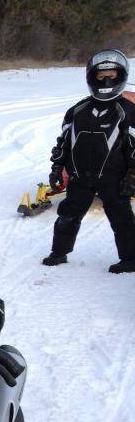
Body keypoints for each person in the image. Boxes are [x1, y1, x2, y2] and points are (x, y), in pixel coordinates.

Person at [42, 50, 135, 273]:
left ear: (121, 75)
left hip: (115, 178)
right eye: (101, 75)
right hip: (80, 176)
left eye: (111, 75)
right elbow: (63, 143)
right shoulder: (76, 110)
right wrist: (57, 169)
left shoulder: (129, 111)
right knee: (67, 215)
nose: (106, 80)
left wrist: (133, 175)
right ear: (91, 77)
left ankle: (130, 259)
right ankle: (59, 252)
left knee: (122, 219)